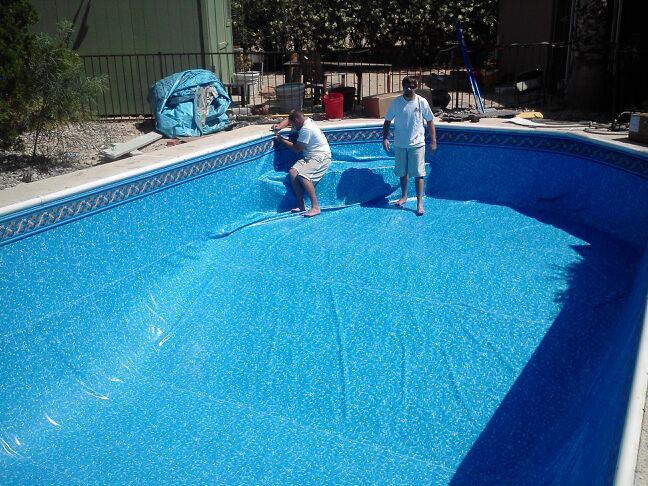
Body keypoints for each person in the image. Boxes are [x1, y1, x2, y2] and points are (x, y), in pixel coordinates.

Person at [382, 76, 437, 216]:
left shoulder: (421, 102)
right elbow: (387, 121)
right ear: (403, 87)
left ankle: (419, 203)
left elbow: (430, 121)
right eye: (406, 86)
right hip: (400, 143)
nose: (409, 89)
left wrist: (433, 141)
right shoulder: (396, 102)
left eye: (412, 86)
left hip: (417, 143)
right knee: (402, 172)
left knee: (419, 174)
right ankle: (404, 196)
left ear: (415, 87)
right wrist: (385, 138)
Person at [274, 110, 332, 217]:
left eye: (293, 124)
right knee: (293, 172)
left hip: (320, 156)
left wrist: (281, 140)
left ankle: (315, 207)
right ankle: (301, 205)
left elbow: (297, 149)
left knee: (304, 176)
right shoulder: (304, 120)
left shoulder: (306, 129)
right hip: (309, 156)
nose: (293, 126)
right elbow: (290, 118)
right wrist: (279, 126)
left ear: (297, 120)